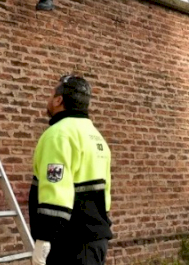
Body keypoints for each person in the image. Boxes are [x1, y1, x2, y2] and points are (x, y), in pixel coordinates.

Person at [29, 75, 112, 265]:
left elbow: (56, 192)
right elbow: (105, 195)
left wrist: (43, 241)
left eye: (52, 95)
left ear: (59, 100)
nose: (49, 100)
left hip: (69, 245)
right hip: (96, 241)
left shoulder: (58, 135)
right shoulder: (96, 137)